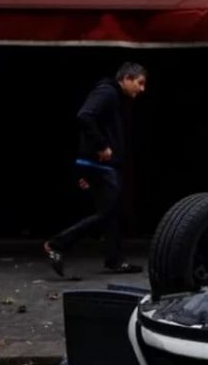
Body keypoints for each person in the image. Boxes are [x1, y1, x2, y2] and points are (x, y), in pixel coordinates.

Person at [44, 63, 148, 276]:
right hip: (99, 164)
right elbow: (85, 115)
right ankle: (57, 244)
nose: (142, 89)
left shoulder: (115, 97)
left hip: (99, 164)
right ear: (126, 78)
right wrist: (101, 145)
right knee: (108, 212)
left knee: (111, 212)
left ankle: (114, 260)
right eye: (140, 83)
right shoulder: (107, 92)